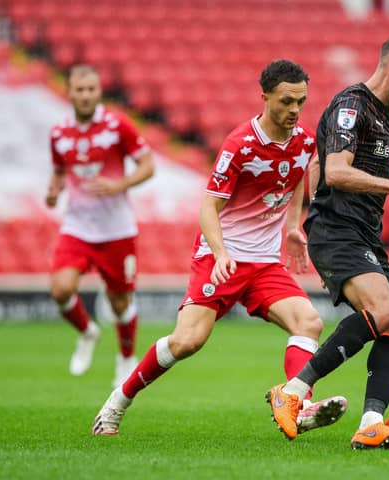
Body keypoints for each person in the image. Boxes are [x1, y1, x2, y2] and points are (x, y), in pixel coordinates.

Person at [92, 60, 347, 436]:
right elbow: (208, 207)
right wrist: (222, 252)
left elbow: (295, 178)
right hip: (221, 257)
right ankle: (118, 401)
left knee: (309, 321)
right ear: (264, 97)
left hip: (263, 263)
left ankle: (297, 403)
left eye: (301, 101)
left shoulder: (305, 140)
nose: (294, 109)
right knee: (186, 342)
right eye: (286, 101)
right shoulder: (239, 145)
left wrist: (293, 227)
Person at [266, 30, 389, 449]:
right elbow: (336, 171)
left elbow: (314, 161)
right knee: (383, 310)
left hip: (364, 235)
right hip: (338, 231)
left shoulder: (381, 114)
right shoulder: (352, 105)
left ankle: (371, 423)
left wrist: (296, 220)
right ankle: (293, 391)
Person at [46, 64, 155, 387]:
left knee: (120, 302)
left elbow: (148, 166)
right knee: (61, 289)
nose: (85, 95)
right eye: (79, 90)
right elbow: (58, 170)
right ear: (69, 92)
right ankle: (87, 332)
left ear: (99, 91)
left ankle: (126, 357)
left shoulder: (117, 125)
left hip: (116, 230)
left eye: (91, 89)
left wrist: (120, 184)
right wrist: (54, 190)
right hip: (77, 227)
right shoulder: (59, 133)